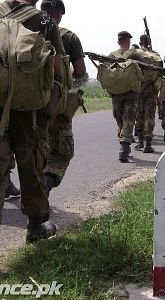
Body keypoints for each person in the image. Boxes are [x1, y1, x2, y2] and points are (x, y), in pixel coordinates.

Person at [0, 0, 64, 243]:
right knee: (32, 166)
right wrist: (53, 106)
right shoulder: (44, 21)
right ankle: (36, 228)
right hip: (30, 112)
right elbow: (57, 67)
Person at [41, 0, 86, 191]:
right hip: (54, 103)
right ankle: (46, 183)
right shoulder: (69, 37)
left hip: (17, 101)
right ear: (60, 13)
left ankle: (8, 182)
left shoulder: (20, 29)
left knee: (18, 146)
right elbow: (80, 71)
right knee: (61, 152)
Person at [108, 31, 140, 162]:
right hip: (131, 92)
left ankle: (123, 142)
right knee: (129, 118)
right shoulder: (134, 54)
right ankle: (124, 146)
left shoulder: (111, 55)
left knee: (120, 118)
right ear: (129, 42)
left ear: (118, 42)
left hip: (116, 93)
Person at [134, 34, 162, 153]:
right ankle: (148, 144)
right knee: (149, 116)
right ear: (149, 42)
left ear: (140, 42)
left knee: (138, 115)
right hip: (151, 90)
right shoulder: (156, 56)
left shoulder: (134, 53)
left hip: (137, 88)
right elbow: (161, 73)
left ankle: (140, 142)